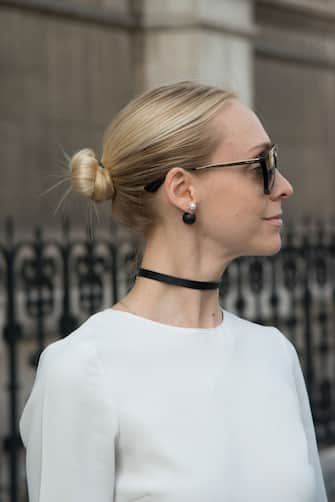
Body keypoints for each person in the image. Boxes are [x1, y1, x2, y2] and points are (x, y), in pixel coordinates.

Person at [19, 81, 328, 502]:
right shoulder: (82, 369)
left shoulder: (274, 353)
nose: (284, 185)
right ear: (184, 190)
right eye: (262, 164)